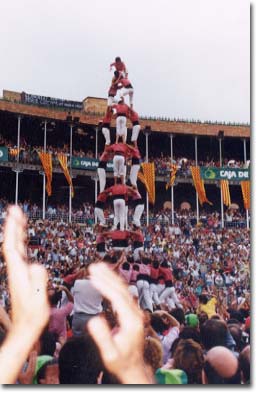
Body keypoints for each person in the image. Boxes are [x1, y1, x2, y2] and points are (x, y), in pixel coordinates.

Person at [71, 267, 103, 337]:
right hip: (94, 318)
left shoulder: (78, 283)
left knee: (77, 343)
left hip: (79, 318)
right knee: (91, 344)